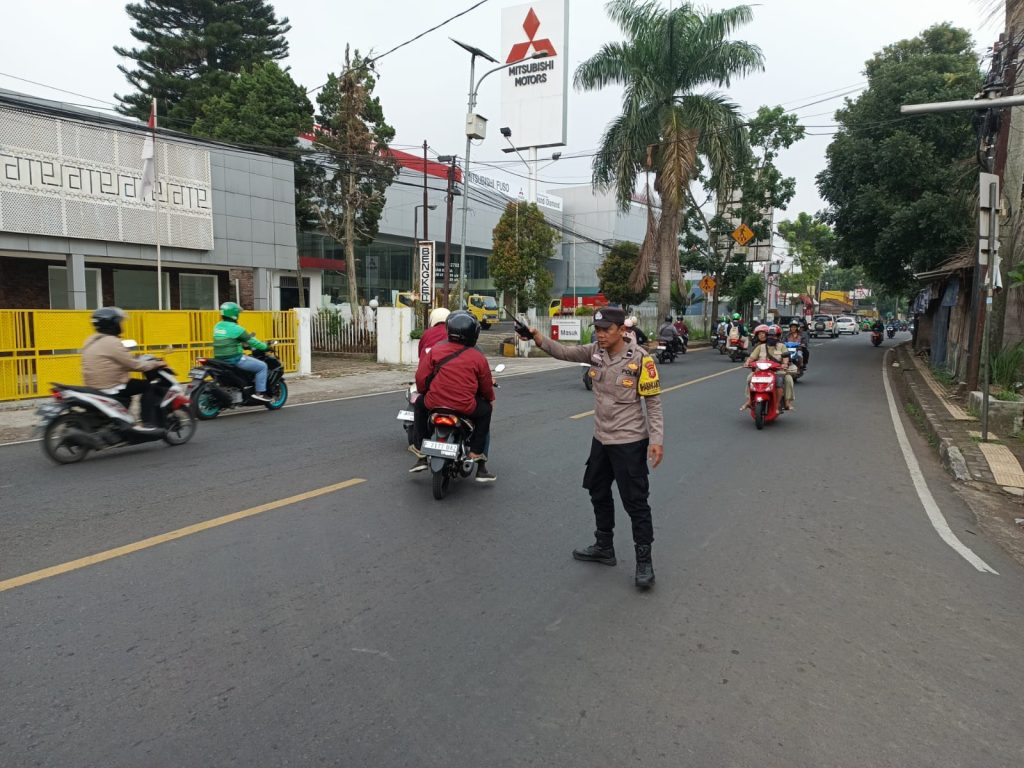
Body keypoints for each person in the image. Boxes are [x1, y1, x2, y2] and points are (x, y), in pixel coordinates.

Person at [527, 307, 664, 590]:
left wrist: (656, 440)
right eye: (598, 329)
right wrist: (537, 338)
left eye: (606, 330)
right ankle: (604, 546)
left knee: (635, 502)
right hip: (601, 439)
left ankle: (644, 562)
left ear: (621, 330)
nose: (600, 334)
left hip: (629, 442)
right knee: (597, 490)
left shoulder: (641, 360)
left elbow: (653, 402)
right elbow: (564, 352)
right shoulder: (595, 352)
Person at [410, 310, 496, 482]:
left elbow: (420, 378)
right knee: (486, 411)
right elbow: (486, 386)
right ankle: (476, 454)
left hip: (434, 403)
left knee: (419, 405)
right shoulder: (478, 357)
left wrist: (424, 391)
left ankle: (420, 451)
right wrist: (490, 399)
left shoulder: (435, 350)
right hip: (465, 406)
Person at [81, 307, 165, 430]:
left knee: (132, 388)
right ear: (112, 324)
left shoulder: (90, 340)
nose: (120, 324)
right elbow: (134, 365)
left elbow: (113, 360)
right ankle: (147, 422)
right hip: (111, 386)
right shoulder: (112, 342)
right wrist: (156, 364)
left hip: (93, 386)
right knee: (148, 386)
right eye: (119, 322)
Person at [212, 301, 272, 403]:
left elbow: (228, 341)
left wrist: (241, 345)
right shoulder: (236, 328)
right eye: (237, 313)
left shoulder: (217, 326)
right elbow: (252, 341)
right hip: (234, 359)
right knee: (262, 367)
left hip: (219, 359)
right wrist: (266, 347)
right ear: (234, 314)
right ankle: (260, 393)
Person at [741, 324, 793, 412]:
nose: (771, 337)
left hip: (777, 372)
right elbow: (752, 358)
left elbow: (785, 359)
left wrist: (785, 364)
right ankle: (749, 401)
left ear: (778, 337)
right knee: (750, 377)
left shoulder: (782, 346)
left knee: (787, 379)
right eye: (769, 335)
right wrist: (747, 362)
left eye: (774, 336)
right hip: (761, 372)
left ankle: (784, 403)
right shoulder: (760, 347)